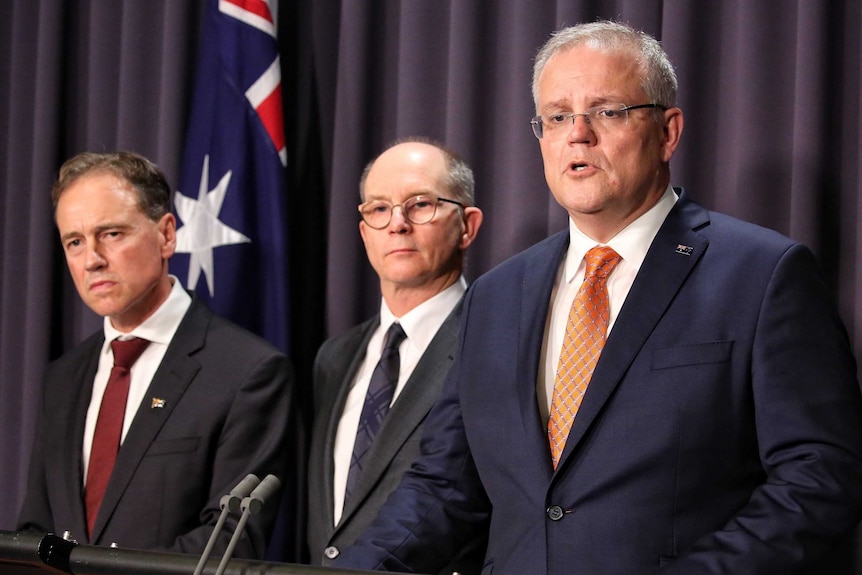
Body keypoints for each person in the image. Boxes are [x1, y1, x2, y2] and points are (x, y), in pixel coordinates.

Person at [332, 20, 862, 575]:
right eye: (557, 117)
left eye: (607, 112)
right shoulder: (496, 296)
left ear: (668, 132)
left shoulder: (762, 274)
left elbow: (819, 474)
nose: (578, 135)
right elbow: (444, 486)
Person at [17, 151, 297, 559]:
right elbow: (35, 529)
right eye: (74, 242)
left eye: (111, 234)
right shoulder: (63, 377)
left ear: (167, 234)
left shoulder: (248, 371)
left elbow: (232, 538)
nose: (92, 260)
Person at [307, 137, 487, 574]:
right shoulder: (335, 357)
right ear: (364, 229)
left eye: (420, 204)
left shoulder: (489, 341)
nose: (397, 224)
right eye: (379, 209)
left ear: (468, 226)